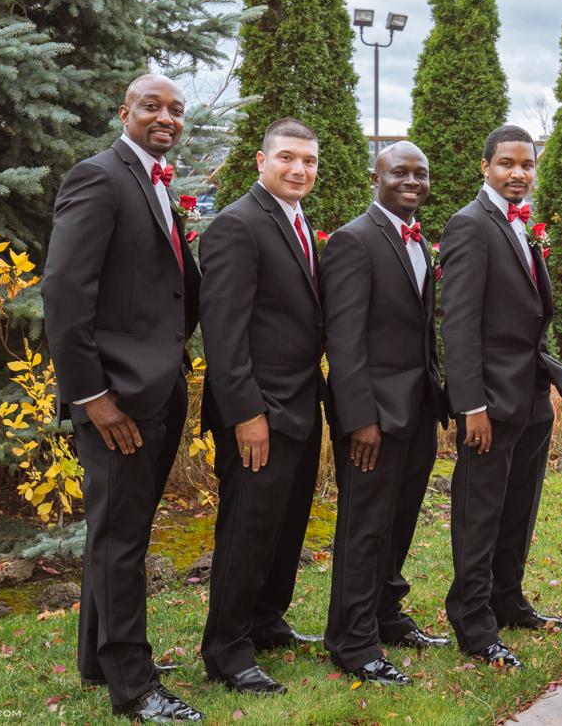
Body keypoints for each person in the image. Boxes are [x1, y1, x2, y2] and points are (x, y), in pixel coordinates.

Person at [43, 74, 204, 723]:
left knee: (120, 533)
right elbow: (62, 293)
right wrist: (92, 396)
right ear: (125, 112)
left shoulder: (158, 184)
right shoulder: (100, 177)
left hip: (157, 388)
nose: (165, 118)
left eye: (175, 110)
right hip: (116, 399)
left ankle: (96, 657)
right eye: (152, 107)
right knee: (120, 541)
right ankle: (134, 686)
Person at [197, 118, 327, 695]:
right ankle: (227, 648)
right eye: (288, 159)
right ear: (260, 160)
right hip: (259, 411)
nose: (300, 169)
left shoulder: (298, 223)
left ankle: (267, 619)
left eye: (309, 161)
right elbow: (223, 334)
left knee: (287, 524)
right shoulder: (236, 226)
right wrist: (246, 414)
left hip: (300, 404)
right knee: (248, 529)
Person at [321, 141, 452, 685]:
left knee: (398, 523)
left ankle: (385, 614)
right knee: (364, 529)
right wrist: (360, 420)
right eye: (399, 172)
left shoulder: (417, 239)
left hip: (417, 407)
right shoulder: (354, 241)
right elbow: (344, 340)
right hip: (372, 415)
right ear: (375, 176)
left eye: (420, 173)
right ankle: (353, 643)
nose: (412, 181)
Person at [440, 125, 562, 667]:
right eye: (507, 164)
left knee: (520, 507)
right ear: (485, 166)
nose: (518, 173)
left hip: (531, 393)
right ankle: (472, 622)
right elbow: (460, 324)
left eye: (526, 164)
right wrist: (472, 405)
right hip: (489, 402)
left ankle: (507, 600)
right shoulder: (470, 225)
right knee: (481, 512)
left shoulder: (520, 224)